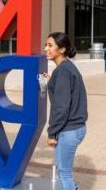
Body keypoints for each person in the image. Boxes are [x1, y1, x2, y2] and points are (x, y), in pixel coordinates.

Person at [44, 32, 87, 190]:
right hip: (75, 128)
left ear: (61, 49)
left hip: (69, 129)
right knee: (64, 171)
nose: (45, 48)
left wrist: (51, 133)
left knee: (64, 173)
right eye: (46, 45)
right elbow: (65, 93)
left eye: (50, 45)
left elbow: (60, 107)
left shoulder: (63, 71)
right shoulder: (66, 68)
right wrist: (52, 81)